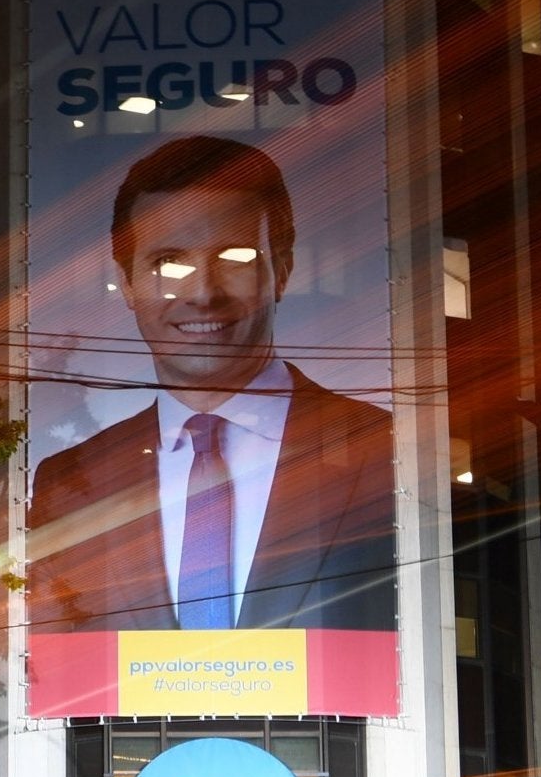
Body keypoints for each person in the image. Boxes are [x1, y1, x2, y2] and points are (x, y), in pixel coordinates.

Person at [28, 136, 396, 639]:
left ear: (282, 270)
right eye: (169, 263)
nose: (203, 292)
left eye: (237, 257)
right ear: (129, 285)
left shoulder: (387, 450)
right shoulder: (68, 482)